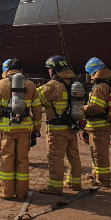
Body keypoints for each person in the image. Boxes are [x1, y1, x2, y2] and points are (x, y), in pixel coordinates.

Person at [0, 58, 42, 199]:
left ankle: (6, 192)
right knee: (22, 159)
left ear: (7, 70)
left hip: (7, 128)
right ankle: (22, 192)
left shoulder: (1, 84)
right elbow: (37, 109)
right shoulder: (30, 85)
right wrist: (37, 129)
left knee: (7, 158)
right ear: (21, 70)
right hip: (25, 129)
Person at [36, 55, 81, 195]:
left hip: (57, 129)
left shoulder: (52, 85)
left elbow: (36, 99)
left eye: (49, 69)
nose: (48, 71)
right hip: (72, 127)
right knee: (73, 155)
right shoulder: (74, 83)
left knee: (55, 157)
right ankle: (75, 183)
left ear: (55, 70)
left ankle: (55, 187)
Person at [82, 57, 111, 187]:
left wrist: (81, 109)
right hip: (98, 126)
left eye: (90, 73)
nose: (90, 76)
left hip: (99, 126)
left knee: (99, 153)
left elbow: (95, 107)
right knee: (95, 151)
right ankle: (95, 173)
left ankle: (103, 180)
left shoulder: (99, 88)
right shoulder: (106, 84)